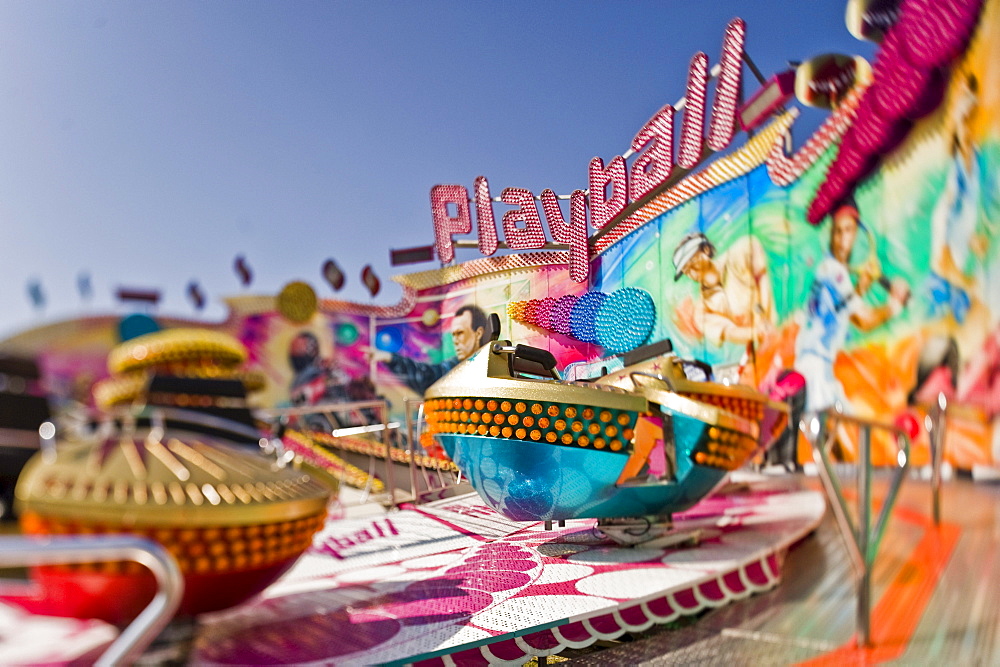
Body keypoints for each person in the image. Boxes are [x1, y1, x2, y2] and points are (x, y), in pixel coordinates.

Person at [795, 199, 910, 416]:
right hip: (815, 371)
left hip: (817, 367)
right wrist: (895, 306)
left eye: (847, 230)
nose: (841, 238)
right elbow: (863, 320)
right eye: (837, 231)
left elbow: (842, 308)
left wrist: (861, 288)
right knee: (834, 437)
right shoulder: (835, 271)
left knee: (842, 435)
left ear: (856, 233)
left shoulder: (829, 269)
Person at [929, 72, 986, 324]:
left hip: (955, 213)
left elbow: (945, 265)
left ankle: (962, 101)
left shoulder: (947, 271)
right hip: (959, 212)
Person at [672, 232, 775, 347]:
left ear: (705, 250)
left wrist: (764, 316)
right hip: (762, 348)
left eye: (692, 261)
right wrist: (757, 333)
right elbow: (729, 332)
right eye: (686, 271)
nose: (692, 272)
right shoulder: (702, 311)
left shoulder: (739, 253)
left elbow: (762, 278)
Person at [367, 304, 492, 395]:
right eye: (453, 335)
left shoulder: (492, 364)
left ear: (478, 333)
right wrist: (391, 358)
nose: (455, 340)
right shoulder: (453, 366)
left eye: (460, 333)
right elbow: (426, 375)